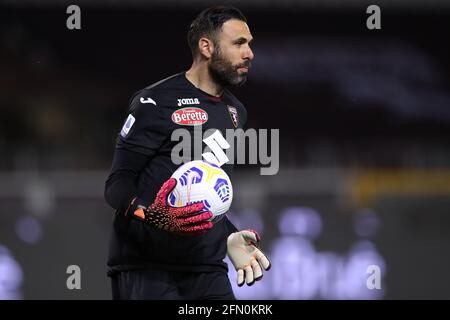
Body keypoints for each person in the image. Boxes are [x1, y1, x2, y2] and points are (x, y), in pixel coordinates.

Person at [104, 5, 270, 300]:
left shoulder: (235, 112)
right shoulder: (154, 102)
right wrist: (153, 216)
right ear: (206, 47)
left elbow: (205, 194)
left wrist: (229, 234)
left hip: (207, 268)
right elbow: (117, 184)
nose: (249, 54)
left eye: (250, 44)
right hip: (147, 268)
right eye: (239, 43)